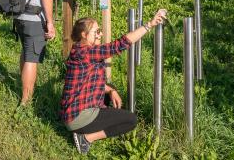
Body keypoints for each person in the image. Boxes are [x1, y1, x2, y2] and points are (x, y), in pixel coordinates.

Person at [60, 9, 167, 154]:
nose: (101, 34)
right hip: (78, 117)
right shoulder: (87, 52)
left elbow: (92, 82)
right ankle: (86, 138)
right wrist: (149, 25)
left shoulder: (80, 50)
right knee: (130, 120)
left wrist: (111, 90)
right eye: (97, 32)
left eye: (100, 31)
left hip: (73, 114)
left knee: (110, 87)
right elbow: (120, 44)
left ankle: (88, 128)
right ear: (84, 35)